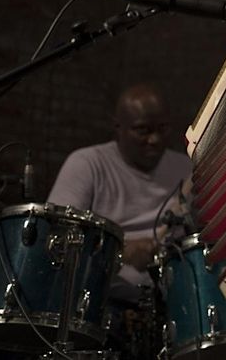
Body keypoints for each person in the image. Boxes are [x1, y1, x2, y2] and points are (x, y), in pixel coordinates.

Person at [47, 83, 191, 354]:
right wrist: (119, 252)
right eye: (143, 130)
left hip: (171, 301)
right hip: (103, 304)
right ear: (118, 128)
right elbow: (57, 239)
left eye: (162, 129)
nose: (154, 140)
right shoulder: (88, 164)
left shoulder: (186, 169)